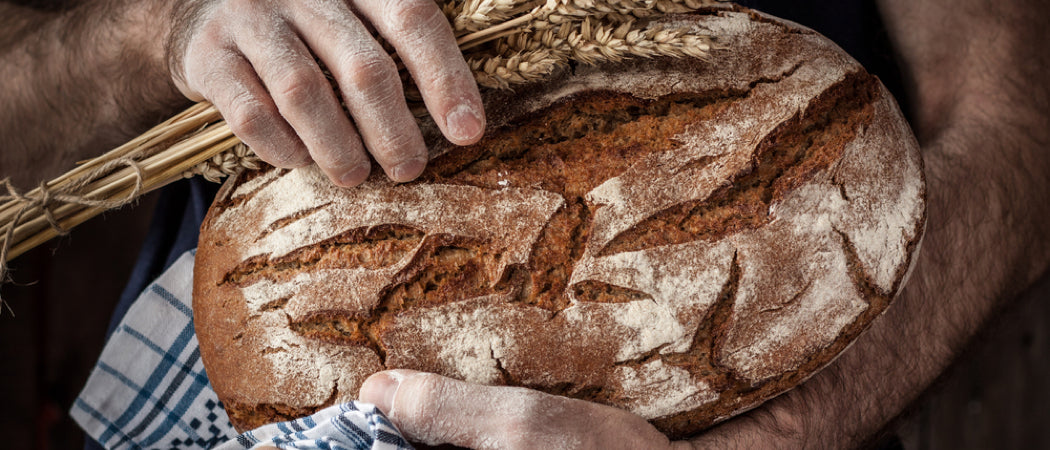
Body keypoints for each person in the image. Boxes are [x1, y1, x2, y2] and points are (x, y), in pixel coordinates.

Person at [2, 0, 1048, 448]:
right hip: (258, 373)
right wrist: (161, 30)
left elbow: (1020, 133)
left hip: (767, 376)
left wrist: (776, 439)